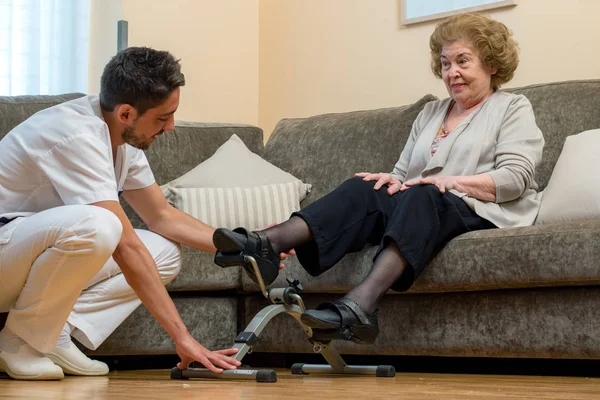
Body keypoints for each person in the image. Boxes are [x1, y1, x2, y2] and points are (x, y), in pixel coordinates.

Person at [212, 13, 545, 345]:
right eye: (445, 64)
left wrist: (451, 182)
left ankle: (361, 305)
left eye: (462, 61)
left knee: (423, 194)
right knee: (367, 186)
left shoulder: (512, 108)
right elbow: (403, 174)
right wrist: (391, 180)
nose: (451, 72)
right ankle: (269, 244)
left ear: (491, 64)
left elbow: (514, 178)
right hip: (424, 205)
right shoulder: (431, 113)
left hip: (482, 210)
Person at [0, 47, 288, 381]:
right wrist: (183, 337)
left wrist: (246, 245)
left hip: (22, 255)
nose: (171, 127)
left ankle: (49, 333)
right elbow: (125, 246)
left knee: (163, 252)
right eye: (163, 117)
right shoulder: (76, 135)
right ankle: (19, 343)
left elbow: (162, 216)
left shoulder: (123, 137)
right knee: (102, 226)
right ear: (126, 113)